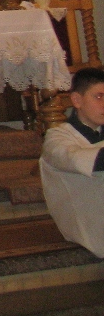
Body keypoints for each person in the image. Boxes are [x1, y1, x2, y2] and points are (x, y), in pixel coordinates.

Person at [40, 67, 104, 258]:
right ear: (77, 100)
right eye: (99, 97)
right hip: (87, 221)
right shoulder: (57, 137)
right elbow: (74, 159)